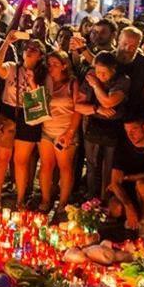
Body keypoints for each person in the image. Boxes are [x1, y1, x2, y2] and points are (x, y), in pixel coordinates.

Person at [0, 30, 47, 209]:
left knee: (21, 161)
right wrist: (7, 42)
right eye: (27, 48)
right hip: (9, 112)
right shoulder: (13, 67)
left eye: (35, 49)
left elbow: (40, 104)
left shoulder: (43, 75)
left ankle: (20, 199)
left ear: (40, 56)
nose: (29, 51)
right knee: (2, 158)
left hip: (28, 115)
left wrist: (32, 84)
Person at [76, 51, 130, 203]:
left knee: (109, 165)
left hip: (113, 128)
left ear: (113, 69)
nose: (100, 76)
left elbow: (108, 102)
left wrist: (95, 85)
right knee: (91, 163)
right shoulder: (90, 77)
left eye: (104, 73)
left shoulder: (122, 81)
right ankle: (91, 197)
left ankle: (106, 199)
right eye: (97, 72)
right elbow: (78, 105)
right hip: (93, 125)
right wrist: (96, 109)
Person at [108, 114, 144, 239]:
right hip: (127, 191)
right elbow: (114, 182)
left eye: (134, 130)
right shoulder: (122, 146)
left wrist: (128, 178)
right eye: (127, 131)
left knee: (143, 184)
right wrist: (128, 207)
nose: (130, 135)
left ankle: (143, 221)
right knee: (116, 208)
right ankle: (130, 219)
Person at [39, 50, 82, 211]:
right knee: (46, 166)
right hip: (47, 131)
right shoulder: (46, 81)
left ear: (64, 66)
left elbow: (78, 109)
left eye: (55, 64)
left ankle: (63, 202)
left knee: (65, 167)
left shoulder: (72, 83)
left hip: (65, 132)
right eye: (49, 64)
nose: (51, 67)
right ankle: (45, 199)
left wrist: (70, 132)